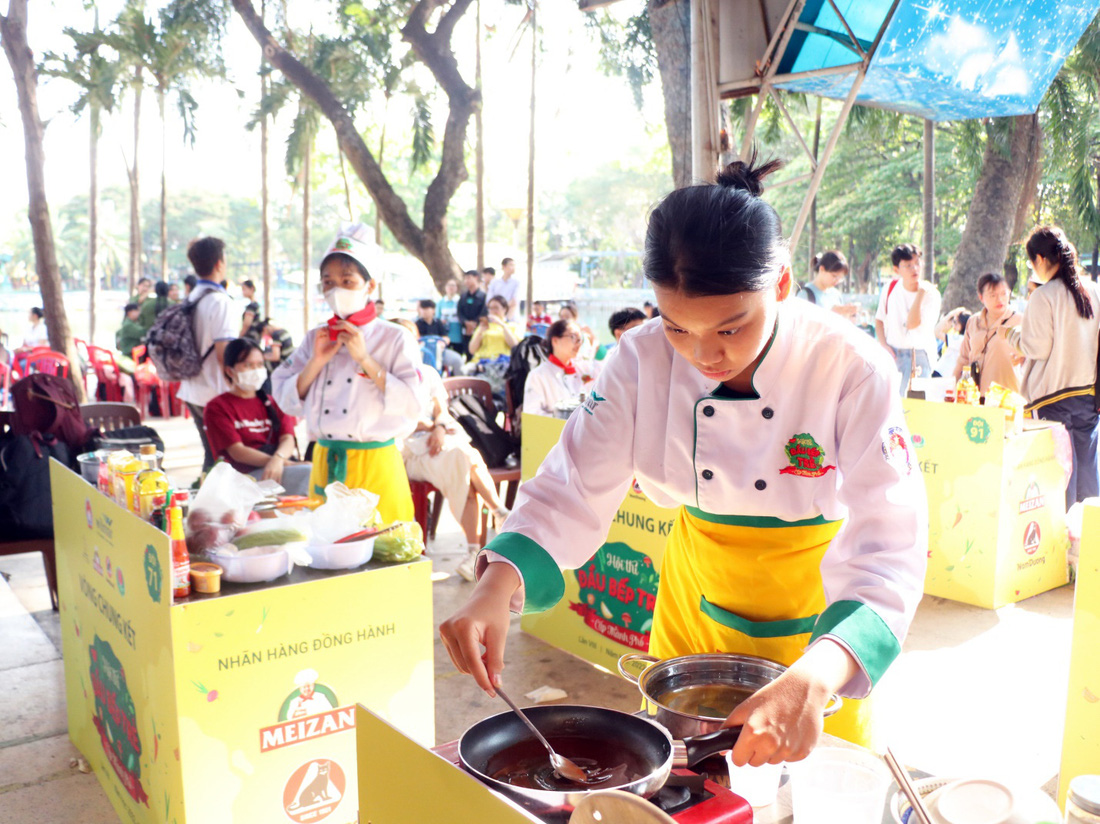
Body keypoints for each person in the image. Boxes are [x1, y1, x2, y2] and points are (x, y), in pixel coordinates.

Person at [440, 157, 927, 762]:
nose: (704, 356)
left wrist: (820, 674)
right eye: (676, 327)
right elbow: (572, 485)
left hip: (821, 614)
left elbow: (890, 544)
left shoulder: (850, 367)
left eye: (730, 328)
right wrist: (497, 581)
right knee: (683, 776)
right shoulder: (640, 360)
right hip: (695, 594)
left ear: (780, 283)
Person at [271, 223, 424, 521]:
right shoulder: (316, 337)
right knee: (329, 554)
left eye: (347, 281)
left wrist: (365, 359)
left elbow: (413, 403)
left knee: (385, 551)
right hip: (326, 460)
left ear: (370, 286)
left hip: (377, 462)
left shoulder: (394, 337)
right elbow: (284, 397)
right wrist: (316, 361)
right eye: (328, 282)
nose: (336, 289)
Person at [394, 318, 510, 581]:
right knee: (466, 458)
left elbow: (442, 411)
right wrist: (425, 425)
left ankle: (475, 551)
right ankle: (498, 515)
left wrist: (437, 428)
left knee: (464, 466)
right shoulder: (383, 378)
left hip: (439, 441)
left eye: (409, 340)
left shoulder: (428, 373)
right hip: (408, 449)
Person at [1004, 226, 1100, 507]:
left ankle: (1062, 543)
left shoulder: (1043, 297)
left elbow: (1037, 348)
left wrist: (1009, 335)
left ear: (1041, 259)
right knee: (1087, 474)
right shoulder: (1094, 290)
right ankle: (1089, 542)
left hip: (1052, 398)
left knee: (1058, 475)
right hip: (1088, 396)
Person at [203, 338, 310, 494]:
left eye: (259, 364)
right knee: (309, 474)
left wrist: (279, 460)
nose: (256, 370)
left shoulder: (272, 402)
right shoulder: (217, 407)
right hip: (243, 477)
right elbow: (237, 452)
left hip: (277, 467)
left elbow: (287, 438)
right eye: (248, 365)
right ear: (229, 371)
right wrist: (281, 463)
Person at [176, 237, 237, 472]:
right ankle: (210, 504)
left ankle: (204, 500)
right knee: (223, 459)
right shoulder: (220, 302)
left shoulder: (191, 297)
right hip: (215, 391)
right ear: (220, 263)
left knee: (212, 454)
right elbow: (225, 355)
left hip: (192, 389)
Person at [874, 243, 941, 395]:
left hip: (919, 355)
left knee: (916, 405)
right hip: (893, 353)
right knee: (891, 402)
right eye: (908, 265)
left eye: (917, 263)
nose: (915, 269)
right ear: (896, 269)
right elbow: (879, 320)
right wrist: (884, 345)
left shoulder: (931, 294)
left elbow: (912, 324)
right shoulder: (890, 288)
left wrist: (920, 294)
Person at [953, 273, 1021, 396]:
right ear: (981, 297)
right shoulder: (973, 322)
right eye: (992, 295)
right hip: (973, 396)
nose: (999, 299)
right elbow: (963, 359)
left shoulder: (1020, 321)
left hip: (1005, 398)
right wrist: (952, 387)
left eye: (1004, 294)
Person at [523, 320, 599, 417]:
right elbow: (532, 415)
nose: (578, 343)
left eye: (580, 339)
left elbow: (603, 382)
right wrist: (564, 417)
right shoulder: (537, 376)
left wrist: (596, 345)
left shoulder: (582, 368)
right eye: (573, 337)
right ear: (555, 341)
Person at [801, 251, 858, 320]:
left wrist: (847, 315)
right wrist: (831, 313)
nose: (837, 280)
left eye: (840, 278)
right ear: (822, 269)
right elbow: (800, 324)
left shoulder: (836, 295)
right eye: (834, 276)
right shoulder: (805, 294)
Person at [417, 299, 464, 375]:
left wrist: (443, 342)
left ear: (433, 310)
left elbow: (446, 337)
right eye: (422, 309)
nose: (424, 311)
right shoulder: (417, 324)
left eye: (426, 309)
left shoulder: (438, 322)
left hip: (440, 352)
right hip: (423, 353)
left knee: (457, 360)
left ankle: (458, 383)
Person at [468, 296, 521, 361]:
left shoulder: (512, 326)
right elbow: (472, 350)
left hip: (503, 362)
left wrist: (502, 325)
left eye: (496, 308)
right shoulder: (484, 326)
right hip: (482, 361)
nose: (493, 311)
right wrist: (480, 332)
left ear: (504, 309)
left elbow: (515, 346)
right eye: (490, 308)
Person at [456, 270, 488, 357]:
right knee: (467, 353)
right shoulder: (463, 296)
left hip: (478, 329)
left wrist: (474, 323)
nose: (466, 281)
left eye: (469, 278)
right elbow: (459, 312)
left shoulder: (483, 296)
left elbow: (484, 312)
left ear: (476, 278)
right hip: (465, 331)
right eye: (465, 279)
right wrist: (465, 322)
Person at [931, 307, 969, 379]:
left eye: (955, 322)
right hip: (946, 374)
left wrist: (951, 314)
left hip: (943, 373)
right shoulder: (965, 339)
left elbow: (937, 332)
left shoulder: (960, 339)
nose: (953, 325)